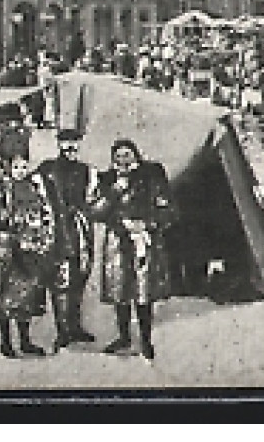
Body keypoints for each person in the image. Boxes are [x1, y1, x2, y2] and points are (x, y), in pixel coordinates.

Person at [0, 126, 58, 357]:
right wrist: (4, 237)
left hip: (30, 251)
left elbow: (45, 215)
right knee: (3, 296)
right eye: (16, 167)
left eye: (24, 166)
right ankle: (5, 341)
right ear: (6, 166)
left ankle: (25, 339)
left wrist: (43, 238)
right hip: (5, 253)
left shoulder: (34, 188)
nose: (21, 171)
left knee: (28, 295)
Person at [90, 138, 173, 360]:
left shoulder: (152, 175)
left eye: (127, 154)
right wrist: (113, 192)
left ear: (136, 155)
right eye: (118, 156)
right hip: (117, 241)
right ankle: (124, 336)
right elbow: (96, 212)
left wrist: (147, 224)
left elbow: (167, 208)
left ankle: (146, 340)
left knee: (144, 292)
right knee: (120, 291)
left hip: (143, 239)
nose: (122, 160)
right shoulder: (106, 179)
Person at [36, 129, 99, 349]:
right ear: (60, 144)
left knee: (80, 276)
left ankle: (75, 326)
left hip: (80, 229)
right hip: (57, 230)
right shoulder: (47, 169)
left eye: (75, 143)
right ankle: (62, 330)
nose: (71, 148)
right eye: (67, 143)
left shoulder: (86, 171)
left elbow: (94, 195)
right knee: (60, 279)